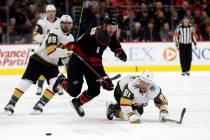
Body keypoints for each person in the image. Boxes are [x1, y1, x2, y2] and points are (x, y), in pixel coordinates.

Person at [53, 14, 127, 117]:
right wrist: (104, 77)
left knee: (95, 90)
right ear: (105, 25)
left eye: (115, 27)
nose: (112, 30)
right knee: (74, 91)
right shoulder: (100, 35)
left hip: (88, 62)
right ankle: (61, 80)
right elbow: (95, 61)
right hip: (77, 60)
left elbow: (113, 41)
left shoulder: (107, 32)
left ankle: (77, 102)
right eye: (110, 27)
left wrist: (118, 50)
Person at [3, 15, 74, 115]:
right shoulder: (54, 32)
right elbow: (50, 51)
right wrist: (68, 53)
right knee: (26, 82)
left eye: (68, 23)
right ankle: (10, 104)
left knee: (57, 84)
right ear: (60, 23)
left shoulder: (71, 38)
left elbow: (65, 57)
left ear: (71, 25)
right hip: (38, 60)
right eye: (64, 23)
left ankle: (40, 105)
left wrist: (69, 64)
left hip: (52, 65)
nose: (66, 25)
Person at [33, 4, 63, 95]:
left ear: (55, 12)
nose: (51, 13)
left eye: (53, 11)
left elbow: (65, 34)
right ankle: (40, 86)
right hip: (44, 49)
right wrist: (46, 38)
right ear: (46, 13)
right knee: (42, 67)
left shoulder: (60, 22)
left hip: (57, 48)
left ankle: (58, 85)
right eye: (49, 11)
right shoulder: (41, 22)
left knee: (57, 68)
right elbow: (36, 36)